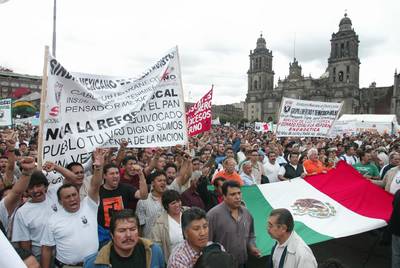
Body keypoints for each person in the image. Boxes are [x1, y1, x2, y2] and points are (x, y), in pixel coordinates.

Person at [40, 148, 106, 268]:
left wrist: (98, 167)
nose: (72, 199)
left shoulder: (89, 205)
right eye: (67, 197)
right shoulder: (52, 221)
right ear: (60, 201)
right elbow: (47, 249)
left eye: (74, 195)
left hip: (95, 264)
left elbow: (95, 185)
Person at [84, 209, 164, 268]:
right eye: (122, 231)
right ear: (112, 235)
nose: (128, 235)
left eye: (132, 229)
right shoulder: (94, 263)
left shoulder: (154, 251)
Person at [207, 180, 260, 267]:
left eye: (239, 193)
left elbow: (251, 234)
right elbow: (207, 243)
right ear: (224, 196)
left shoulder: (246, 213)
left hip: (243, 263)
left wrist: (252, 247)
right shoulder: (213, 216)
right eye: (233, 194)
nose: (237, 197)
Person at [12, 170, 61, 260]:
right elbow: (24, 243)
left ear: (45, 186)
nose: (35, 190)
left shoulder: (55, 194)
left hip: (62, 250)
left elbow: (73, 179)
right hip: (40, 255)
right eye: (31, 188)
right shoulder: (22, 212)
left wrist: (56, 167)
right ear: (26, 190)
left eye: (38, 186)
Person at [97, 162, 148, 245]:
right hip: (104, 236)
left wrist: (141, 176)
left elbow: (143, 195)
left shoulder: (125, 188)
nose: (115, 176)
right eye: (112, 173)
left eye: (117, 173)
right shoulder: (98, 192)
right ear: (104, 176)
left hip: (124, 232)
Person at [150, 190, 186, 263]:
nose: (177, 205)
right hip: (173, 262)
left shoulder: (188, 214)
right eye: (173, 203)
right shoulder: (160, 223)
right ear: (166, 206)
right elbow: (157, 247)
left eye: (178, 201)